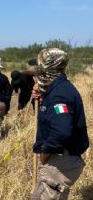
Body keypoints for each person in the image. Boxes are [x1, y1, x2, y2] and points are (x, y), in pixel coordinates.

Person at [31, 48, 89, 200]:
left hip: (59, 161)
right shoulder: (58, 89)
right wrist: (42, 97)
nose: (38, 68)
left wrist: (44, 155)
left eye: (41, 64)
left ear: (49, 66)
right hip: (61, 159)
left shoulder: (59, 94)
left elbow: (61, 132)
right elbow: (53, 116)